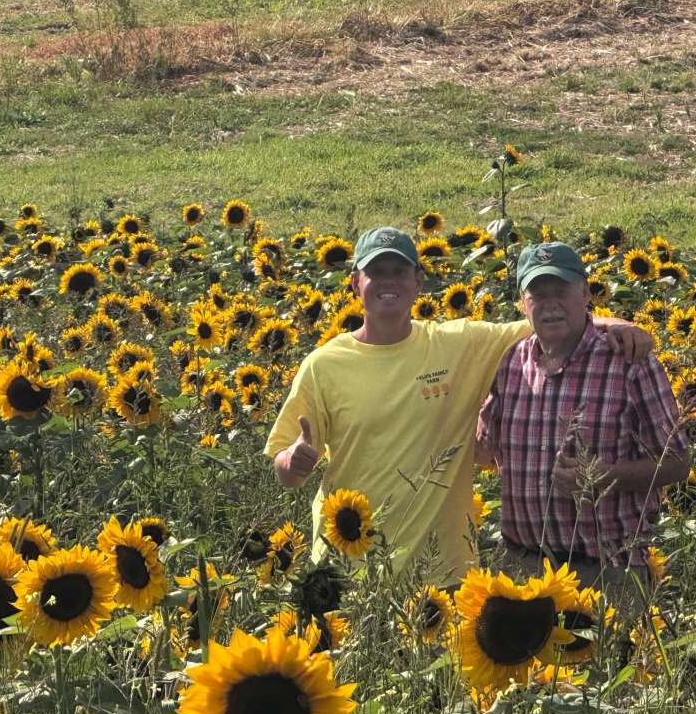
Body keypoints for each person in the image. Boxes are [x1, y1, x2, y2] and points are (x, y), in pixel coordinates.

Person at [264, 226, 653, 584]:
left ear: (418, 280)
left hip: (445, 572)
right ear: (354, 284)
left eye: (398, 271)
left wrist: (618, 325)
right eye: (375, 272)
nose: (388, 282)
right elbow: (285, 467)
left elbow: (549, 320)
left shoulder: (459, 345)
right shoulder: (324, 365)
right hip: (348, 567)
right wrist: (292, 463)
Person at [475, 241, 690, 611]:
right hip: (523, 570)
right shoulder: (511, 362)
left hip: (607, 574)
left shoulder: (629, 363)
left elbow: (677, 462)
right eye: (537, 293)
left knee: (615, 669)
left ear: (586, 294)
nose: (550, 303)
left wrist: (601, 476)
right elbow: (484, 448)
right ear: (523, 303)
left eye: (561, 290)